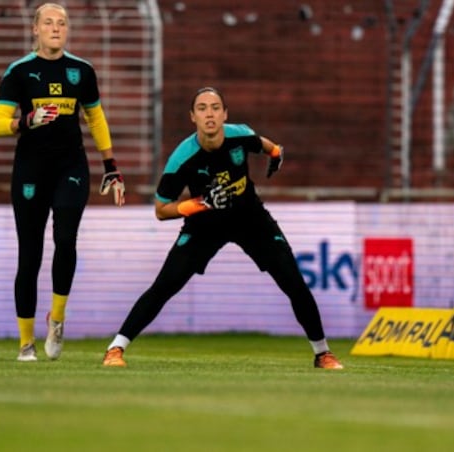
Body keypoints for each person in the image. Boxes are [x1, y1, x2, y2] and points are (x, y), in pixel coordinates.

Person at [101, 86, 343, 370]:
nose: (210, 114)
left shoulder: (240, 134)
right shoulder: (182, 158)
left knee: (293, 282)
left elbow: (266, 145)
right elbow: (160, 210)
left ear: (225, 114)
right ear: (193, 117)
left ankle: (322, 354)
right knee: (165, 286)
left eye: (215, 107)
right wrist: (201, 203)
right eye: (202, 108)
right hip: (204, 226)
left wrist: (277, 155)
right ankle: (115, 349)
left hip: (250, 219)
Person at [0, 2, 125, 362]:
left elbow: (95, 119)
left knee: (65, 238)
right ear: (35, 29)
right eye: (48, 22)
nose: (55, 28)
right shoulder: (19, 72)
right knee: (30, 254)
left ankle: (58, 318)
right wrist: (25, 121)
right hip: (31, 169)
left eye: (62, 23)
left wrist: (110, 164)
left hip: (71, 165)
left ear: (67, 30)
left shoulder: (81, 70)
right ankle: (25, 343)